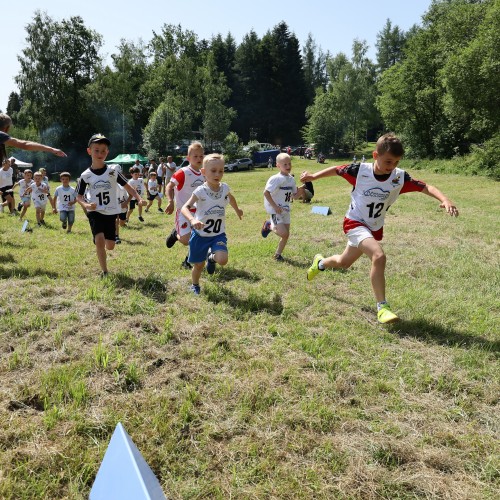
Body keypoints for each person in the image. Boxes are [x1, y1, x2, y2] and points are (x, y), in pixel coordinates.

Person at [301, 133, 459, 324]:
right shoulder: (359, 170)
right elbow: (336, 170)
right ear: (375, 156)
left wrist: (445, 199)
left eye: (396, 162)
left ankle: (320, 263)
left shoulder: (399, 178)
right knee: (379, 256)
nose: (392, 167)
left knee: (344, 262)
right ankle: (382, 307)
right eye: (388, 161)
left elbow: (426, 187)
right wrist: (313, 177)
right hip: (354, 222)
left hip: (373, 228)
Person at [76, 134, 146, 276]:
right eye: (96, 150)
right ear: (89, 151)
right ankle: (105, 271)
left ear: (107, 152)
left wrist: (138, 198)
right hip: (95, 211)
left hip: (111, 212)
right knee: (100, 240)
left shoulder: (113, 172)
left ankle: (103, 240)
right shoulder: (85, 175)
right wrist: (86, 205)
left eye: (103, 150)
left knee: (111, 246)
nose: (100, 153)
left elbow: (128, 187)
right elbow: (78, 196)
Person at [181, 153, 243, 294]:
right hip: (200, 235)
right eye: (213, 171)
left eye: (221, 171)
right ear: (203, 172)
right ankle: (195, 285)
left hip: (218, 234)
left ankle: (212, 257)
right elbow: (185, 207)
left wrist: (237, 210)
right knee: (198, 265)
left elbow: (230, 198)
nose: (217, 174)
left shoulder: (225, 188)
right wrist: (193, 220)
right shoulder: (200, 191)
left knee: (223, 260)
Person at [165, 142, 205, 269]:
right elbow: (169, 186)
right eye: (195, 156)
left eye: (201, 156)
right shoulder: (183, 172)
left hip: (199, 212)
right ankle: (175, 234)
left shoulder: (204, 173)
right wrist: (170, 201)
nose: (199, 159)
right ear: (188, 158)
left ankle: (188, 261)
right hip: (183, 211)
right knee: (185, 240)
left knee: (199, 238)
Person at [261, 153, 304, 261]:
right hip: (275, 210)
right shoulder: (276, 178)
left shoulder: (291, 179)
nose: (288, 166)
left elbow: (294, 196)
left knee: (286, 235)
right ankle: (269, 225)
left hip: (286, 210)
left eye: (289, 163)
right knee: (283, 233)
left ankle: (277, 255)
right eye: (285, 164)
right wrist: (275, 207)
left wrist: (302, 189)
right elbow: (266, 193)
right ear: (278, 165)